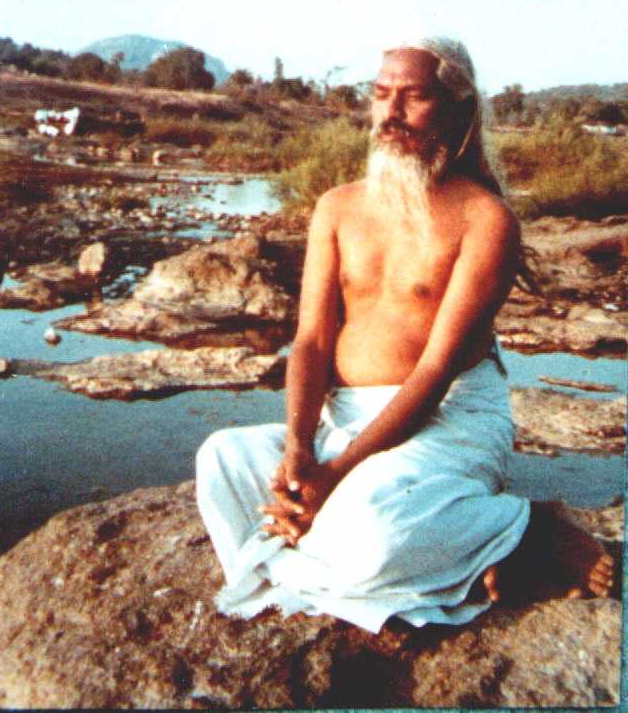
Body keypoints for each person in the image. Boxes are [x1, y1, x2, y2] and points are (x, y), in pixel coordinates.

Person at [196, 37, 614, 632]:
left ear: (457, 110)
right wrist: (298, 450)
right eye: (381, 96)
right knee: (224, 457)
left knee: (372, 533)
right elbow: (311, 340)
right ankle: (455, 559)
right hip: (345, 422)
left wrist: (332, 478)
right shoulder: (337, 207)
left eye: (414, 99)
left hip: (447, 422)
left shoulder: (486, 219)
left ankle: (523, 526)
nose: (390, 115)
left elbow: (435, 371)